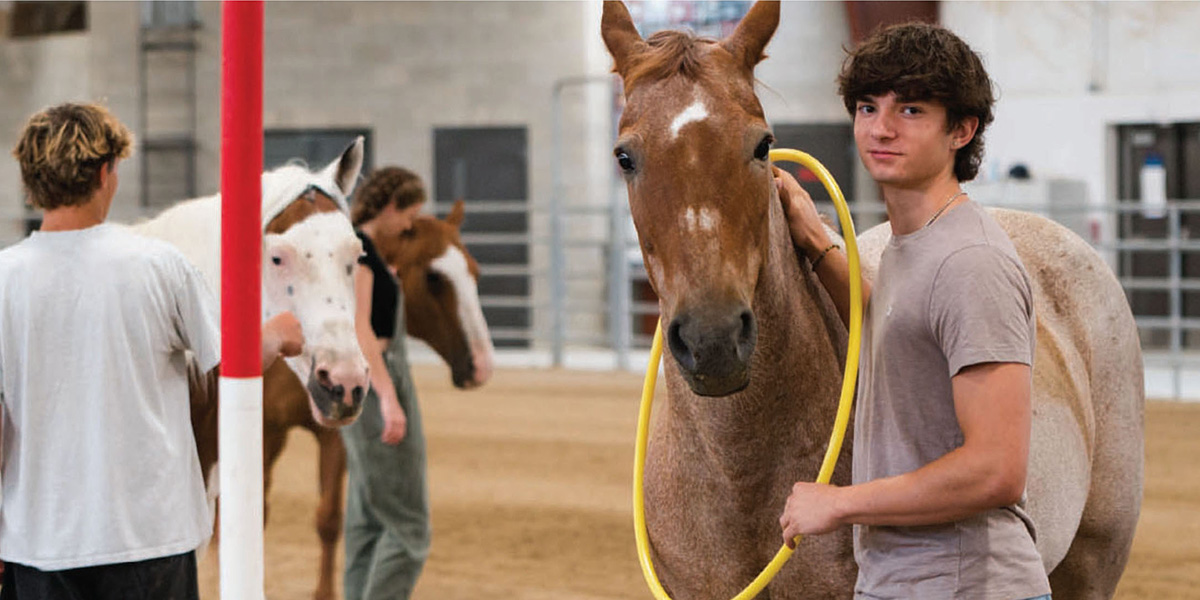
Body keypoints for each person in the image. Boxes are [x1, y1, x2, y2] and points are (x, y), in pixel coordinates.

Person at [774, 24, 1052, 599]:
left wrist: (841, 503)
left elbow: (996, 469)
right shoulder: (916, 243)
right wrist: (818, 240)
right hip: (905, 583)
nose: (880, 128)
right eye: (868, 106)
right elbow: (894, 329)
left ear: (962, 130)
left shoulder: (970, 262)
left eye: (912, 110)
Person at [0, 102, 304, 599]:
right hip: (150, 538)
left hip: (37, 540)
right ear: (105, 173)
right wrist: (276, 333)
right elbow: (229, 364)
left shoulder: (3, 279)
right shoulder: (161, 266)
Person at [342, 166, 429, 600]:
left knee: (368, 522)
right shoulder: (359, 251)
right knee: (409, 530)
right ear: (392, 206)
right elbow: (361, 330)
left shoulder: (362, 249)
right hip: (379, 379)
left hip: (366, 384)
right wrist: (390, 398)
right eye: (410, 213)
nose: (410, 224)